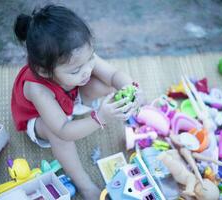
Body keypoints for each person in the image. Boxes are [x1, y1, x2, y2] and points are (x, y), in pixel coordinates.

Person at [11, 4, 144, 199]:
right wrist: (99, 117)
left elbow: (114, 75)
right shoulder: (37, 88)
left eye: (90, 59)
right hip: (41, 120)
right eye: (75, 70)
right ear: (45, 71)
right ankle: (84, 184)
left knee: (106, 84)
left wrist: (132, 89)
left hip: (70, 98)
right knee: (56, 135)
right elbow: (63, 130)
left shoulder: (79, 55)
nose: (87, 71)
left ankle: (81, 108)